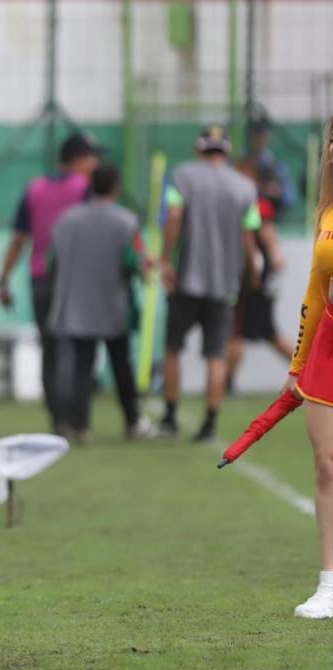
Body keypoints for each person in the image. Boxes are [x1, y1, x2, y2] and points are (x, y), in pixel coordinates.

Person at [159, 125, 261, 442]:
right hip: (224, 283)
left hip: (187, 278)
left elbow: (173, 216)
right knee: (215, 354)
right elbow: (249, 237)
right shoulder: (245, 187)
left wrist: (165, 260)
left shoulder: (182, 176)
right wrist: (251, 273)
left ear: (198, 149)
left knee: (172, 348)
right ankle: (210, 423)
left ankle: (171, 417)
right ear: (227, 151)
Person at [0, 132, 99, 433]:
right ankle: (79, 420)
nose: (95, 165)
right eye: (92, 158)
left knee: (51, 350)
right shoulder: (86, 189)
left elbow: (19, 239)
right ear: (79, 160)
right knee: (80, 349)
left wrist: (3, 279)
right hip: (78, 281)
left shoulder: (35, 188)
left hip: (41, 278)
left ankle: (58, 420)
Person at [46, 165, 148, 443]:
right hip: (113, 305)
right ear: (115, 187)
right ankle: (132, 420)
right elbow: (133, 262)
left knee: (81, 366)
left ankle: (80, 426)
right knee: (121, 365)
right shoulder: (127, 221)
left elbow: (52, 262)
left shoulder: (66, 220)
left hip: (77, 305)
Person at [285, 117, 333, 619]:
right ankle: (328, 587)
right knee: (326, 466)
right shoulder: (326, 213)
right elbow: (314, 295)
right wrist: (297, 365)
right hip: (327, 352)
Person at [226, 170, 292, 392]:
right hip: (254, 280)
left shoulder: (255, 204)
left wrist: (274, 253)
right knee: (260, 333)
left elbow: (266, 232)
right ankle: (227, 381)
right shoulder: (250, 202)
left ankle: (226, 382)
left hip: (252, 281)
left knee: (239, 332)